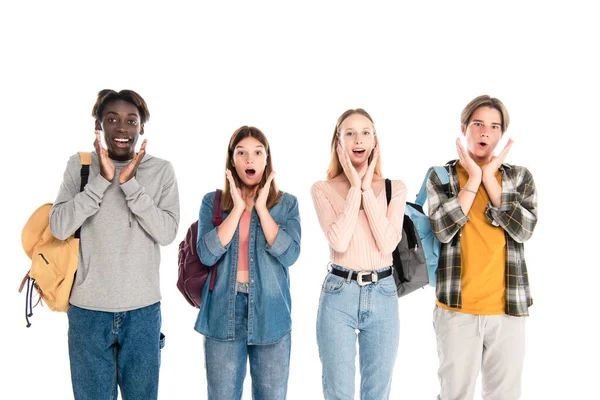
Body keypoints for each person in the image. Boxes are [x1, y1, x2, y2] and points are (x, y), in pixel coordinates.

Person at [50, 89, 180, 399]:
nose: (122, 128)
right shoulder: (81, 166)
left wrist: (130, 185)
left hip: (143, 312)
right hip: (87, 313)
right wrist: (101, 181)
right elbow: (58, 226)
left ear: (141, 129)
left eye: (131, 121)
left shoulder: (161, 171)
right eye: (112, 120)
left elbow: (167, 232)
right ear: (99, 126)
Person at [427, 95, 538, 400]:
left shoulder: (520, 178)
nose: (485, 132)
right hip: (456, 310)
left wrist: (490, 179)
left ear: (501, 133)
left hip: (508, 311)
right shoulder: (441, 176)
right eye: (478, 124)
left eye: (494, 126)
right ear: (465, 128)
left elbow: (524, 230)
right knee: (455, 395)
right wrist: (474, 178)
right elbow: (443, 229)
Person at [195, 125, 301, 400]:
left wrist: (262, 209)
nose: (249, 159)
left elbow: (290, 255)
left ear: (267, 160)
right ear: (232, 160)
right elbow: (206, 254)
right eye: (241, 153)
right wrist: (240, 207)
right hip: (223, 313)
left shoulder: (287, 204)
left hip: (271, 313)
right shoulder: (213, 202)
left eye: (257, 152)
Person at [311, 108, 407, 399]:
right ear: (338, 143)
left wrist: (367, 189)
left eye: (365, 132)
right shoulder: (322, 189)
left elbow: (388, 243)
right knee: (337, 392)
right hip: (339, 293)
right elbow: (338, 241)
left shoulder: (394, 188)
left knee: (377, 392)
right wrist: (356, 187)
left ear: (374, 141)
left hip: (383, 293)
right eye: (349, 132)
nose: (358, 139)